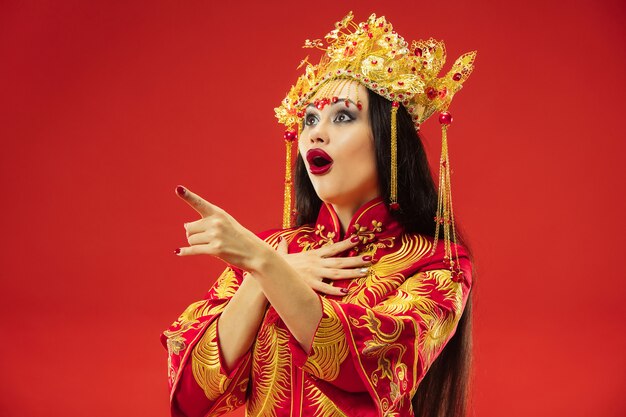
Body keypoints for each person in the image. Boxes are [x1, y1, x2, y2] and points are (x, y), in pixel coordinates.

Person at [162, 12, 476, 417]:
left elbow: (362, 364)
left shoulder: (438, 262)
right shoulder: (275, 249)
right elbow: (190, 395)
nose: (315, 132)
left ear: (388, 138)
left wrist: (265, 265)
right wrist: (263, 276)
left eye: (342, 117)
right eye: (309, 119)